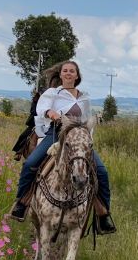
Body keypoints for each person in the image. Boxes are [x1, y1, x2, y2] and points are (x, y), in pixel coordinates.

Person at [10, 60, 116, 234]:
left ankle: (103, 215)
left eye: (71, 71)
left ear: (77, 75)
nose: (68, 73)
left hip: (78, 136)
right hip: (55, 132)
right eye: (65, 71)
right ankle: (21, 203)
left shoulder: (84, 97)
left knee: (102, 172)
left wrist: (87, 137)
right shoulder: (53, 93)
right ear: (60, 75)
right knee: (30, 164)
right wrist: (52, 114)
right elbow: (42, 108)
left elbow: (87, 120)